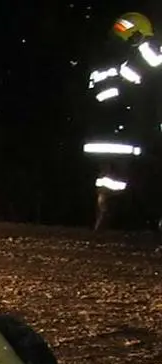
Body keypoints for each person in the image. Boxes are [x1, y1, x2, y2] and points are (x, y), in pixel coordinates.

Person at [81, 12, 162, 231]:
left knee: (111, 184)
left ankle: (105, 226)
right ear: (136, 36)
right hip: (122, 138)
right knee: (131, 185)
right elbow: (139, 75)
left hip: (110, 137)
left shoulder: (105, 57)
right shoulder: (123, 60)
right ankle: (116, 228)